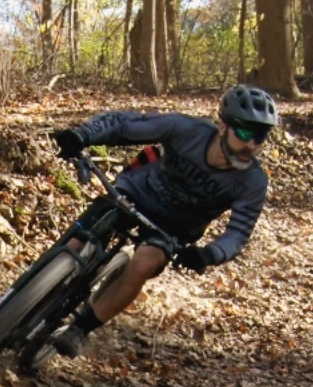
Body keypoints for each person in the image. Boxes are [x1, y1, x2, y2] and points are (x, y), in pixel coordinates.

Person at [47, 84, 278, 358]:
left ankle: (80, 329)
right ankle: (31, 292)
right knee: (80, 239)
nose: (251, 144)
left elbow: (238, 233)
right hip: (136, 192)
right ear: (223, 126)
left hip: (174, 227)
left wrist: (208, 254)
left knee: (145, 262)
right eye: (244, 132)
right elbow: (125, 124)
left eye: (260, 136)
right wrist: (82, 135)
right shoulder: (186, 130)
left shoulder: (253, 181)